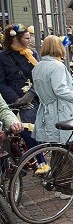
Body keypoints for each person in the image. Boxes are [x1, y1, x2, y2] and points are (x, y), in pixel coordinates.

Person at [32, 35, 73, 144]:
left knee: (56, 149)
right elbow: (61, 90)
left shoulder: (38, 66)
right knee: (68, 148)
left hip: (46, 112)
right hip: (61, 111)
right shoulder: (57, 66)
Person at [0, 23, 45, 171]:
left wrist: (31, 93)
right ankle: (41, 161)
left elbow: (39, 78)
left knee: (34, 130)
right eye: (26, 38)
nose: (29, 40)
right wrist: (16, 100)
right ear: (16, 39)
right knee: (25, 130)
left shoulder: (32, 54)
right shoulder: (2, 57)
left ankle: (40, 161)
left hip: (33, 97)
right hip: (13, 100)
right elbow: (1, 83)